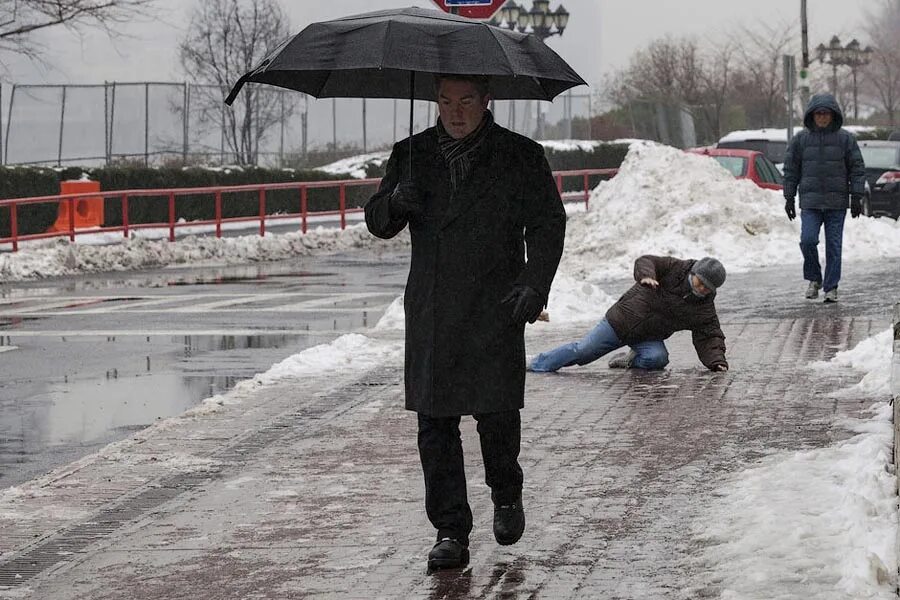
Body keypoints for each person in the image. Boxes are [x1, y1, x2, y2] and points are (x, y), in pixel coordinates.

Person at [364, 74, 566, 572]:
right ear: (435, 102)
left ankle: (506, 493)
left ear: (486, 101)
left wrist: (534, 283)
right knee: (435, 424)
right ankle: (450, 529)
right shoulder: (410, 155)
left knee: (495, 413)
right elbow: (377, 221)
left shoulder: (520, 155)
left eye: (466, 101)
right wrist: (395, 201)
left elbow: (547, 222)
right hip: (433, 308)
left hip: (496, 304)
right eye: (446, 101)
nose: (455, 112)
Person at [528, 255, 729, 373]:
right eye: (699, 282)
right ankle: (534, 362)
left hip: (648, 337)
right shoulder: (675, 268)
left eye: (706, 288)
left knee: (658, 359)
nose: (701, 288)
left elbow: (710, 335)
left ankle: (630, 359)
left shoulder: (704, 308)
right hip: (619, 323)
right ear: (693, 273)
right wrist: (647, 276)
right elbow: (646, 261)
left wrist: (717, 362)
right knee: (582, 351)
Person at [782, 93, 866, 303]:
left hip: (836, 203)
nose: (822, 117)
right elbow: (791, 170)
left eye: (826, 113)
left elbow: (857, 168)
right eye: (818, 113)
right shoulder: (800, 140)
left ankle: (831, 287)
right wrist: (789, 197)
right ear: (812, 114)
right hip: (810, 202)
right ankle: (814, 278)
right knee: (807, 241)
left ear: (833, 115)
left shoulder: (846, 139)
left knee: (833, 247)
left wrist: (856, 195)